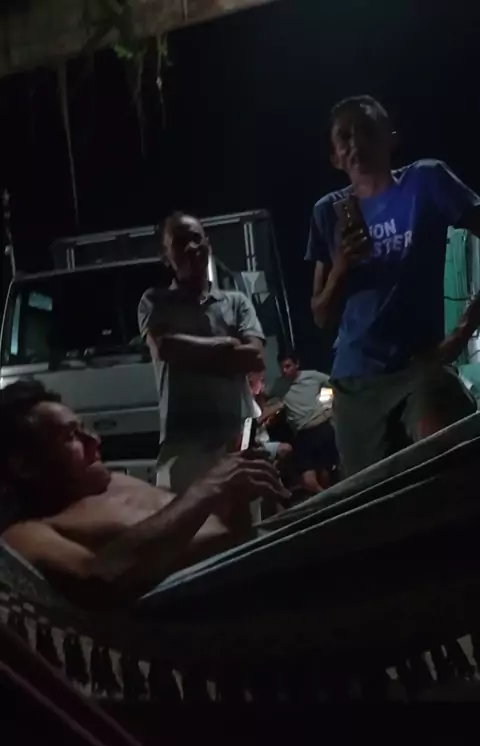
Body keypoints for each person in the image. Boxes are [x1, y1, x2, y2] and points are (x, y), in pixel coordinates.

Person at [308, 95, 480, 478]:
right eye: (344, 137)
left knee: (450, 452)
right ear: (335, 157)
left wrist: (461, 333)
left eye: (367, 130)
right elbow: (321, 315)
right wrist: (341, 268)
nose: (356, 143)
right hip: (354, 382)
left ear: (392, 136)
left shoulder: (426, 180)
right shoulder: (327, 213)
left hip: (419, 367)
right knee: (372, 499)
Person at [0, 380, 288, 605]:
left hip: (255, 566)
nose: (94, 440)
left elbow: (211, 534)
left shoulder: (118, 482)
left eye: (85, 428)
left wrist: (235, 497)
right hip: (224, 605)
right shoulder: (26, 532)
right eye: (70, 436)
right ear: (24, 465)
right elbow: (95, 581)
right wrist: (208, 488)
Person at [138, 212, 265, 496]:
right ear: (165, 256)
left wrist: (190, 351)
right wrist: (229, 345)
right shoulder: (154, 301)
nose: (191, 247)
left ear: (208, 244)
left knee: (245, 519)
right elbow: (165, 348)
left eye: (197, 239)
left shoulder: (236, 302)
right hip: (184, 444)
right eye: (180, 242)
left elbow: (255, 358)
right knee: (187, 520)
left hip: (239, 438)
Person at [266, 353, 338, 493]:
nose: (285, 371)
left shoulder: (312, 376)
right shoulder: (279, 384)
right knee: (308, 480)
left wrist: (327, 404)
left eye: (288, 366)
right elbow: (263, 395)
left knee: (325, 474)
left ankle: (333, 499)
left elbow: (333, 384)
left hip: (320, 426)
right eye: (282, 368)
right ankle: (327, 497)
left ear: (296, 364)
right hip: (302, 433)